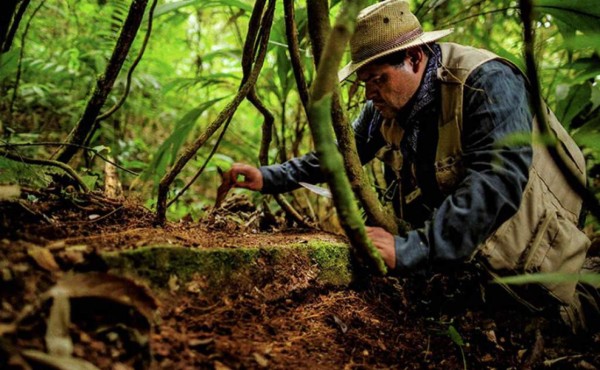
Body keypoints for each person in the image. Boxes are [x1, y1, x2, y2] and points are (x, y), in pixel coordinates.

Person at [225, 0, 590, 324]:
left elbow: (497, 182)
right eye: (364, 81)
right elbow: (341, 154)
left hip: (538, 261)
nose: (368, 93)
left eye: (378, 78)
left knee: (570, 322)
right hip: (471, 265)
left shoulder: (487, 81)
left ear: (415, 59)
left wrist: (412, 249)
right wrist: (268, 177)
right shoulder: (383, 107)